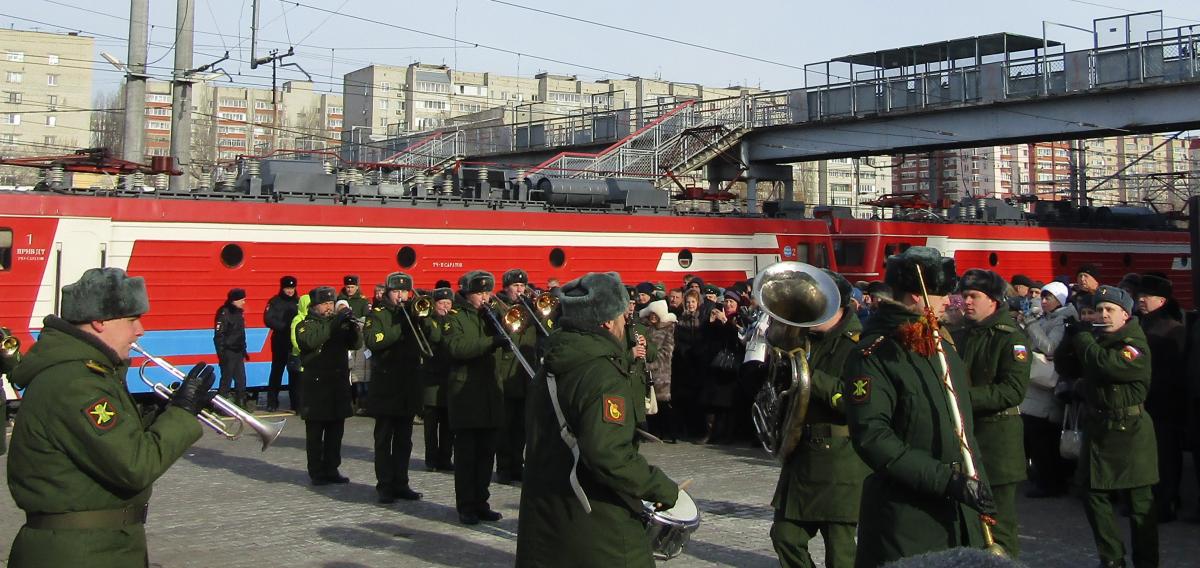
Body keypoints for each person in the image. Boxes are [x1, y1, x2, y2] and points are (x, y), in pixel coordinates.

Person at [6, 267, 214, 567]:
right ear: (99, 321)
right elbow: (135, 465)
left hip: (94, 546)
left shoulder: (86, 373)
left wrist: (159, 415)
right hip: (83, 552)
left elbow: (107, 448)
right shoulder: (78, 383)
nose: (140, 330)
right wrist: (182, 414)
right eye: (132, 319)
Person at [516, 272, 680, 567]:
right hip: (596, 522)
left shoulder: (553, 362)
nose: (625, 321)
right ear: (606, 321)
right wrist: (660, 486)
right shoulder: (602, 373)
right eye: (621, 314)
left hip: (548, 519)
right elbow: (607, 455)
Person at [844, 247, 994, 567]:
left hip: (958, 512)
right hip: (907, 518)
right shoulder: (877, 354)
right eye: (941, 295)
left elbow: (963, 428)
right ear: (917, 297)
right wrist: (945, 481)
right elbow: (873, 437)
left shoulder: (942, 346)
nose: (948, 303)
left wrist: (978, 484)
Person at [770, 270, 870, 568]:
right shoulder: (804, 340)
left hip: (840, 460)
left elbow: (853, 400)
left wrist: (807, 375)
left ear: (838, 306)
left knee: (839, 552)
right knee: (785, 536)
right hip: (802, 454)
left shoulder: (860, 345)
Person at [1055, 285, 1158, 568]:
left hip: (1130, 430)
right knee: (1090, 493)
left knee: (1140, 504)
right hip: (1099, 427)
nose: (1103, 315)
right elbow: (1066, 366)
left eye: (1110, 310)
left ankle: (1147, 561)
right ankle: (1112, 557)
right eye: (1099, 310)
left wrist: (1084, 338)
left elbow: (1105, 366)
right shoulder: (1096, 339)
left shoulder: (1134, 344)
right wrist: (1070, 335)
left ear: (1125, 314)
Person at [952, 269, 1030, 557]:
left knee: (1000, 526)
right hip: (965, 441)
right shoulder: (958, 335)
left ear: (994, 300)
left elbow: (1011, 391)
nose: (967, 302)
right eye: (965, 295)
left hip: (998, 442)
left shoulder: (1011, 338)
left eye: (974, 296)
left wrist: (958, 398)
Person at [444, 271, 505, 525]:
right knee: (467, 456)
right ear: (468, 294)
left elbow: (511, 332)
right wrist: (491, 341)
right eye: (480, 293)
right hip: (466, 396)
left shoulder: (489, 314)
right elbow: (457, 348)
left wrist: (499, 322)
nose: (484, 297)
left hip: (490, 394)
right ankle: (466, 506)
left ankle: (482, 502)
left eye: (487, 292)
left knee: (486, 455)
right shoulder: (454, 318)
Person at [363, 272, 424, 503]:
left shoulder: (412, 312)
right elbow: (372, 340)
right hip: (386, 384)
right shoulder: (377, 314)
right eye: (396, 291)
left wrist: (422, 319)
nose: (401, 296)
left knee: (404, 440)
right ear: (388, 293)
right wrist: (400, 327)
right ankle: (385, 485)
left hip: (407, 384)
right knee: (384, 438)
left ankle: (402, 482)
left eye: (404, 291)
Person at [296, 286, 361, 485]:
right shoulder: (306, 325)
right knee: (316, 432)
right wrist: (335, 323)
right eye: (325, 304)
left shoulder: (336, 323)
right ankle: (316, 471)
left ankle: (332, 468)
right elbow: (310, 341)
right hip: (317, 385)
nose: (329, 307)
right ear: (314, 306)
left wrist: (352, 328)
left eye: (331, 304)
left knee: (336, 430)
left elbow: (356, 345)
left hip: (338, 383)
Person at [1137, 274, 1186, 522]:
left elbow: (1174, 371)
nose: (1141, 300)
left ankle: (1167, 501)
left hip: (1163, 403)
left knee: (1165, 455)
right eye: (1140, 295)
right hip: (1143, 402)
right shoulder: (1140, 325)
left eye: (1147, 296)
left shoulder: (1173, 330)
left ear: (1162, 300)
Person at [1021, 281, 1075, 498]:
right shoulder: (1046, 318)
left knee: (1045, 437)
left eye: (1048, 298)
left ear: (1059, 300)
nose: (1043, 302)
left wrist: (1031, 324)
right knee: (1037, 435)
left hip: (1047, 385)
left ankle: (1050, 481)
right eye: (1042, 297)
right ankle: (1044, 477)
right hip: (1037, 384)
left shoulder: (1062, 320)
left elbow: (1050, 347)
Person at [494, 268, 539, 485]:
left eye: (522, 286)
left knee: (522, 426)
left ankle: (517, 464)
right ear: (506, 288)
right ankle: (503, 467)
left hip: (525, 374)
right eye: (515, 286)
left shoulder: (530, 307)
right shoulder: (497, 306)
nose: (520, 290)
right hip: (506, 372)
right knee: (505, 425)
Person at [422, 286, 456, 472]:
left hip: (448, 378)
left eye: (448, 303)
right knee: (431, 425)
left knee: (448, 424)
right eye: (441, 303)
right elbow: (436, 338)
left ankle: (445, 457)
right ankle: (431, 459)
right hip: (431, 379)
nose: (444, 307)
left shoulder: (454, 321)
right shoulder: (429, 321)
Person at [640, 300, 677, 442]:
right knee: (650, 404)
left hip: (661, 372)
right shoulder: (645, 327)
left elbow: (667, 352)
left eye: (656, 314)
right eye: (651, 313)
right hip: (646, 371)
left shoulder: (668, 328)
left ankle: (670, 433)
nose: (653, 316)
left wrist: (651, 364)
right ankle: (653, 432)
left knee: (663, 404)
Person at [264, 275, 300, 412]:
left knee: (294, 374)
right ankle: (272, 402)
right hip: (279, 341)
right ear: (282, 288)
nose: (290, 291)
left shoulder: (298, 302)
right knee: (276, 372)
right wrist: (285, 327)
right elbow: (268, 319)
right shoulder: (275, 301)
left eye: (292, 288)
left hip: (293, 343)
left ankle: (296, 403)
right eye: (287, 288)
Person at [340, 276, 371, 415]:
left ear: (357, 287)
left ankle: (361, 403)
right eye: (347, 287)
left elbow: (366, 319)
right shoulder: (340, 300)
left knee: (359, 375)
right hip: (345, 339)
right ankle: (349, 402)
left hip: (358, 339)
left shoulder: (363, 301)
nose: (349, 289)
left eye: (352, 287)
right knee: (348, 374)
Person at [214, 287, 249, 408]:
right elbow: (219, 336)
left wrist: (244, 348)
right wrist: (221, 354)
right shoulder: (224, 313)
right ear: (235, 300)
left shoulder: (239, 313)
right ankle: (220, 406)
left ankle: (242, 403)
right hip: (228, 351)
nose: (244, 302)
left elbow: (241, 333)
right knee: (226, 380)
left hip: (238, 350)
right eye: (242, 300)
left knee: (241, 379)